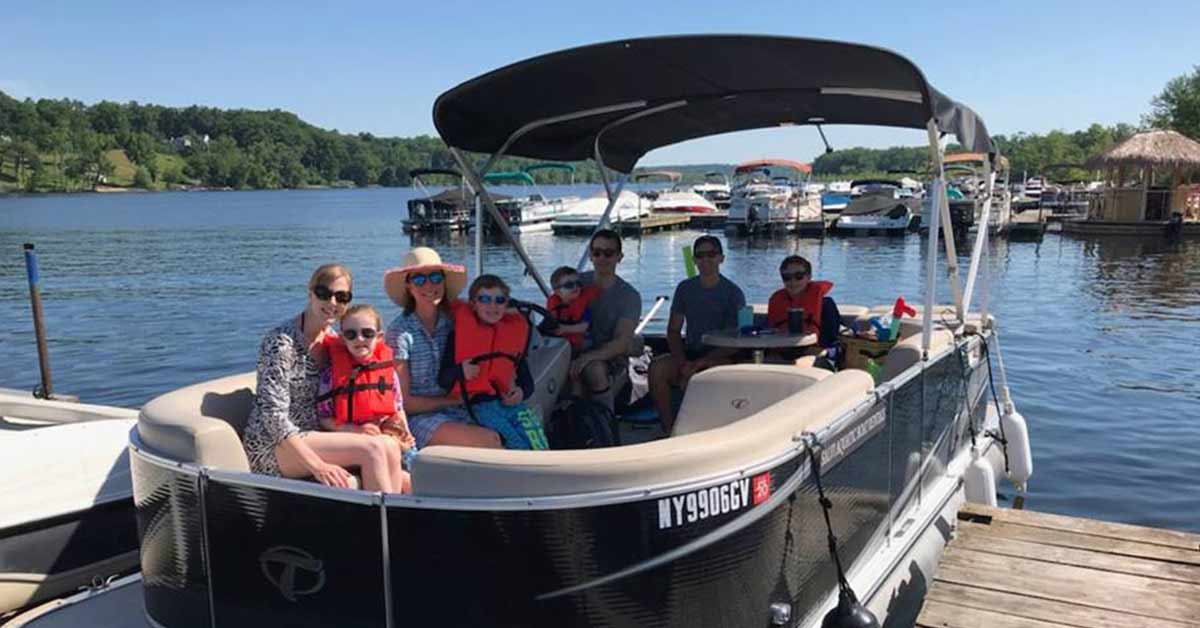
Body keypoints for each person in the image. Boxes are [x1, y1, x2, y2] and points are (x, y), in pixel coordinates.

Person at [242, 264, 410, 493]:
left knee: (388, 445)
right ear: (310, 293)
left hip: (320, 434)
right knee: (373, 449)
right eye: (324, 293)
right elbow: (273, 418)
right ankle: (380, 525)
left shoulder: (336, 342)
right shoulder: (281, 343)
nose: (332, 303)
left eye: (341, 297)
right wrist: (318, 466)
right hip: (276, 444)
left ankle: (393, 523)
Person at [383, 247, 502, 449]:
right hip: (420, 418)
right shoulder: (400, 332)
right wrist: (452, 401)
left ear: (444, 282)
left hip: (461, 408)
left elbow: (493, 310)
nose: (429, 285)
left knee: (512, 429)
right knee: (489, 440)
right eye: (419, 280)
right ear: (409, 287)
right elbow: (405, 403)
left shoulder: (454, 321)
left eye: (436, 277)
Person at [438, 275, 548, 450]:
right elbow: (443, 379)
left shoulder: (511, 336)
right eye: (484, 299)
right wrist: (461, 371)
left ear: (506, 305)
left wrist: (521, 392)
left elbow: (526, 379)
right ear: (473, 304)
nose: (492, 306)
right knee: (516, 444)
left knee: (539, 443)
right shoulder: (459, 336)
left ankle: (546, 472)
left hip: (510, 403)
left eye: (499, 300)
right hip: (479, 406)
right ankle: (523, 475)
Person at [649, 235, 746, 430]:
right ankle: (669, 429)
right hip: (690, 351)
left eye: (711, 254)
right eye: (700, 255)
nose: (705, 260)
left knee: (696, 378)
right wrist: (682, 361)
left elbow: (737, 340)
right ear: (694, 260)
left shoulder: (733, 293)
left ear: (721, 258)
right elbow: (674, 330)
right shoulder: (685, 288)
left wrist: (701, 363)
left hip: (721, 355)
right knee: (657, 369)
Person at [316, 304, 417, 466]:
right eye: (351, 334)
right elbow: (324, 418)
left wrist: (406, 433)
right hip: (350, 438)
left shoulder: (388, 371)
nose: (360, 339)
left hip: (385, 433)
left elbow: (398, 408)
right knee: (384, 449)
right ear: (342, 339)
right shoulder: (331, 375)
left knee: (410, 456)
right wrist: (354, 430)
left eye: (367, 333)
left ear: (379, 337)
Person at [570, 229, 642, 411]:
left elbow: (622, 342)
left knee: (594, 370)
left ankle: (605, 424)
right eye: (597, 252)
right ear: (590, 255)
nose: (601, 258)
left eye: (608, 253)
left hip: (611, 359)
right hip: (572, 350)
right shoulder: (575, 283)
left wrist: (588, 357)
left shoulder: (629, 296)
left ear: (619, 257)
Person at [766, 255, 841, 350]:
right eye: (787, 277)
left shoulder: (826, 306)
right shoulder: (777, 302)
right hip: (781, 351)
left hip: (814, 352)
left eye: (799, 276)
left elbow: (830, 342)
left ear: (809, 277)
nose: (793, 281)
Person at [545, 265, 599, 352]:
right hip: (562, 341)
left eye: (578, 283)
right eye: (569, 285)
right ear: (557, 291)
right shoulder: (554, 303)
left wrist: (564, 329)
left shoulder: (584, 304)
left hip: (582, 342)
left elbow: (585, 326)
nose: (575, 287)